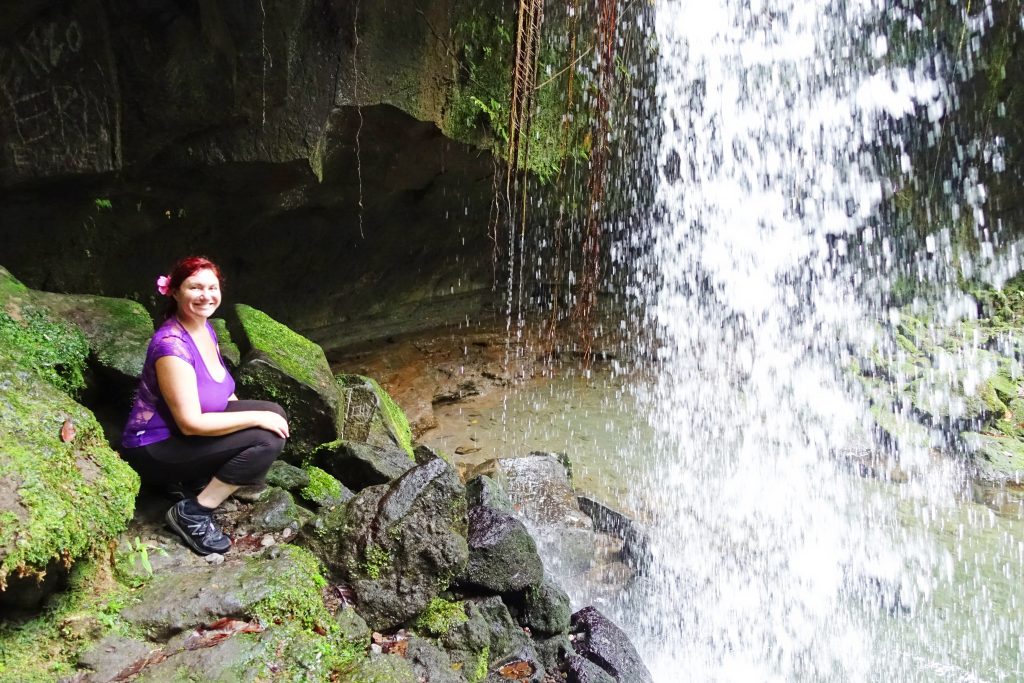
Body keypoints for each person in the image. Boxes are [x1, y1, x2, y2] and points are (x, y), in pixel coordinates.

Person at [121, 256, 289, 555]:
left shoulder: (204, 327)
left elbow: (224, 394)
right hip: (155, 448)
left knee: (274, 413)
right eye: (195, 287)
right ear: (174, 292)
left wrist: (252, 420)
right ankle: (193, 512)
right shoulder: (171, 346)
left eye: (212, 287)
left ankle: (199, 478)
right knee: (268, 437)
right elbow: (190, 423)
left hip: (184, 434)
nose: (206, 295)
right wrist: (254, 423)